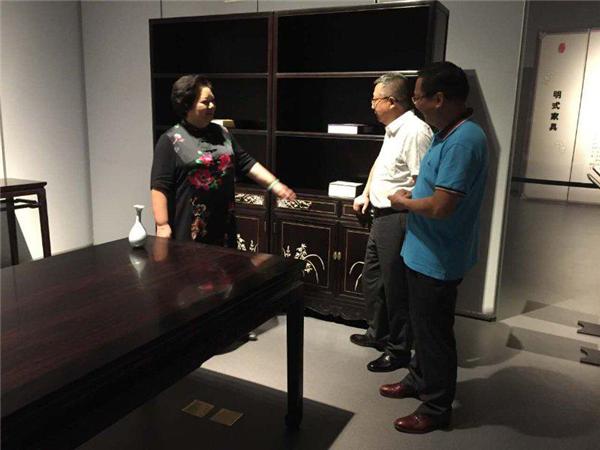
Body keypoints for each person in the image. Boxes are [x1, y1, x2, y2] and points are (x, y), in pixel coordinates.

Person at [382, 62, 488, 433]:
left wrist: (404, 202)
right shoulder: (448, 133)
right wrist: (415, 193)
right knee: (421, 326)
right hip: (423, 249)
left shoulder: (463, 141)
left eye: (417, 97)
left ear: (438, 99)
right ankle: (418, 379)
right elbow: (436, 188)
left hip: (438, 255)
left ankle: (436, 407)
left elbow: (443, 207)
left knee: (434, 334)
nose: (415, 104)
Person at [349, 73, 432, 372]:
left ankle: (398, 350)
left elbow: (423, 181)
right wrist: (366, 193)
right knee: (374, 279)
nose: (372, 106)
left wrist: (402, 203)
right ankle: (378, 333)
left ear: (392, 101)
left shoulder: (416, 132)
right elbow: (381, 164)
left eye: (375, 100)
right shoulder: (394, 129)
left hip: (399, 217)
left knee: (396, 286)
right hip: (381, 215)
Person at [151, 75, 295, 245]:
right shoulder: (170, 140)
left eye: (213, 101)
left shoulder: (222, 133)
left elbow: (246, 163)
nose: (212, 106)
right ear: (187, 105)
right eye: (205, 102)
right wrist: (162, 225)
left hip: (223, 222)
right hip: (191, 226)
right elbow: (160, 186)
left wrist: (275, 185)